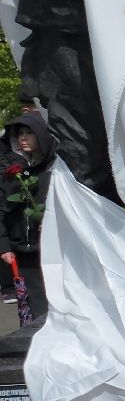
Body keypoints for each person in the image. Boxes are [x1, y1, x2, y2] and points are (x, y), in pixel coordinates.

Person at [0, 111, 54, 327]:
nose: (23, 138)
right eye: (19, 133)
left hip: (52, 252)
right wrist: (4, 246)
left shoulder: (55, 171)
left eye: (29, 132)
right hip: (23, 253)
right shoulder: (12, 174)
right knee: (33, 309)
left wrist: (52, 223)